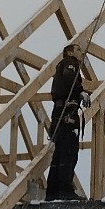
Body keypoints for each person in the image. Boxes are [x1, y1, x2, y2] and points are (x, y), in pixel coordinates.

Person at [45, 45, 86, 200]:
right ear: (70, 52)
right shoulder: (70, 62)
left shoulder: (61, 67)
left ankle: (53, 191)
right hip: (66, 114)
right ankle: (64, 189)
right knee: (69, 152)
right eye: (78, 50)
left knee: (60, 153)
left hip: (60, 113)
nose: (81, 52)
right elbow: (69, 76)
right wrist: (81, 91)